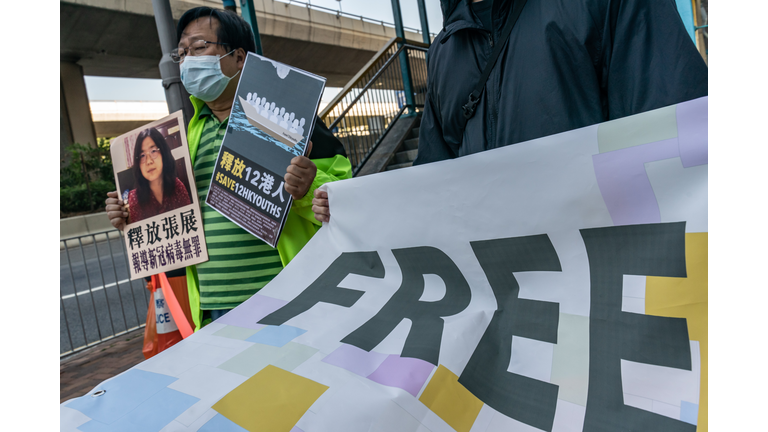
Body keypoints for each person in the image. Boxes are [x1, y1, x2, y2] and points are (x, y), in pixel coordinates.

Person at [311, 0, 708, 221]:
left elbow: (678, 139)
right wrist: (360, 208)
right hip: (501, 308)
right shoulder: (445, 51)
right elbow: (433, 180)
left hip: (603, 287)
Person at [106, 6, 351, 328]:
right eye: (181, 53)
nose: (189, 60)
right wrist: (132, 214)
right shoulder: (184, 137)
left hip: (286, 298)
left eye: (199, 47)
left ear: (239, 58)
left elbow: (346, 197)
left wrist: (309, 185)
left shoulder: (289, 120)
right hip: (212, 308)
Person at [127, 128, 191, 223]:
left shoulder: (178, 187)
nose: (149, 161)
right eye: (142, 156)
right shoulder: (134, 198)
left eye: (153, 151)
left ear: (163, 154)